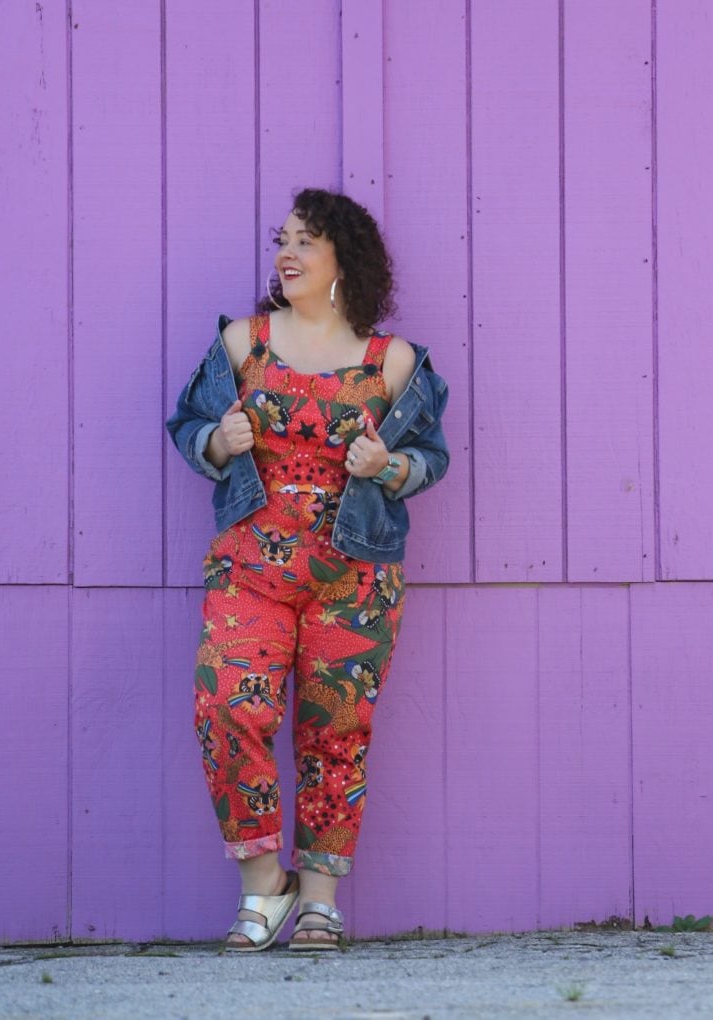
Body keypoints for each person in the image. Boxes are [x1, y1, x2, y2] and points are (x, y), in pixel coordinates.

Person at [166, 187, 450, 952]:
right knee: (227, 708)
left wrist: (390, 464)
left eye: (306, 242)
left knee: (337, 731)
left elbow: (433, 457)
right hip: (251, 571)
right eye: (282, 239)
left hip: (354, 579)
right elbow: (187, 426)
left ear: (342, 262)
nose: (286, 253)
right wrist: (219, 442)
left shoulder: (392, 361)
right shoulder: (240, 344)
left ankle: (319, 898)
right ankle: (265, 884)